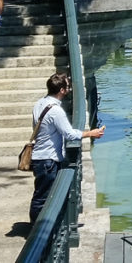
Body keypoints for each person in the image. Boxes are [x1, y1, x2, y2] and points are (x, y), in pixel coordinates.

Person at [29, 73, 105, 223]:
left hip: (39, 157)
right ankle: (36, 231)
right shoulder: (56, 111)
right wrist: (91, 133)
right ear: (62, 90)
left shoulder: (39, 103)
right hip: (48, 160)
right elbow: (69, 134)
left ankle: (36, 226)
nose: (69, 89)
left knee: (40, 194)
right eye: (68, 87)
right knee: (43, 198)